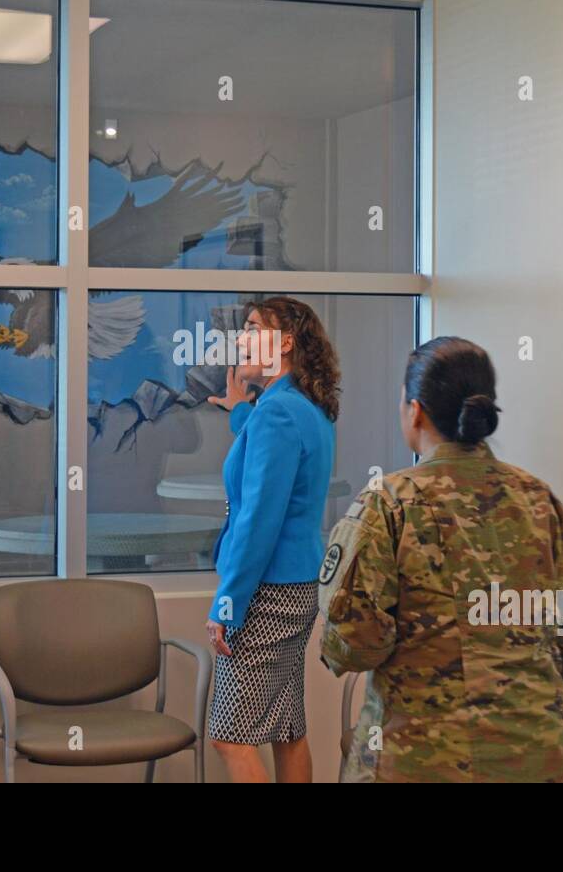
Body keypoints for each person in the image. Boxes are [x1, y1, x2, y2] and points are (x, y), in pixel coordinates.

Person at [319, 337, 563, 782]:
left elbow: (353, 641)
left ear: (415, 411)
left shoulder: (389, 504)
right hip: (543, 755)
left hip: (421, 757)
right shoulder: (540, 500)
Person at [204, 296, 338, 783]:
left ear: (285, 343)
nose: (241, 338)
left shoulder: (276, 413)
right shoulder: (302, 408)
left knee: (230, 736)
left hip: (267, 592)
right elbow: (275, 464)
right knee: (285, 725)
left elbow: (259, 518)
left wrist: (228, 602)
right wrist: (242, 414)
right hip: (298, 585)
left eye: (253, 327)